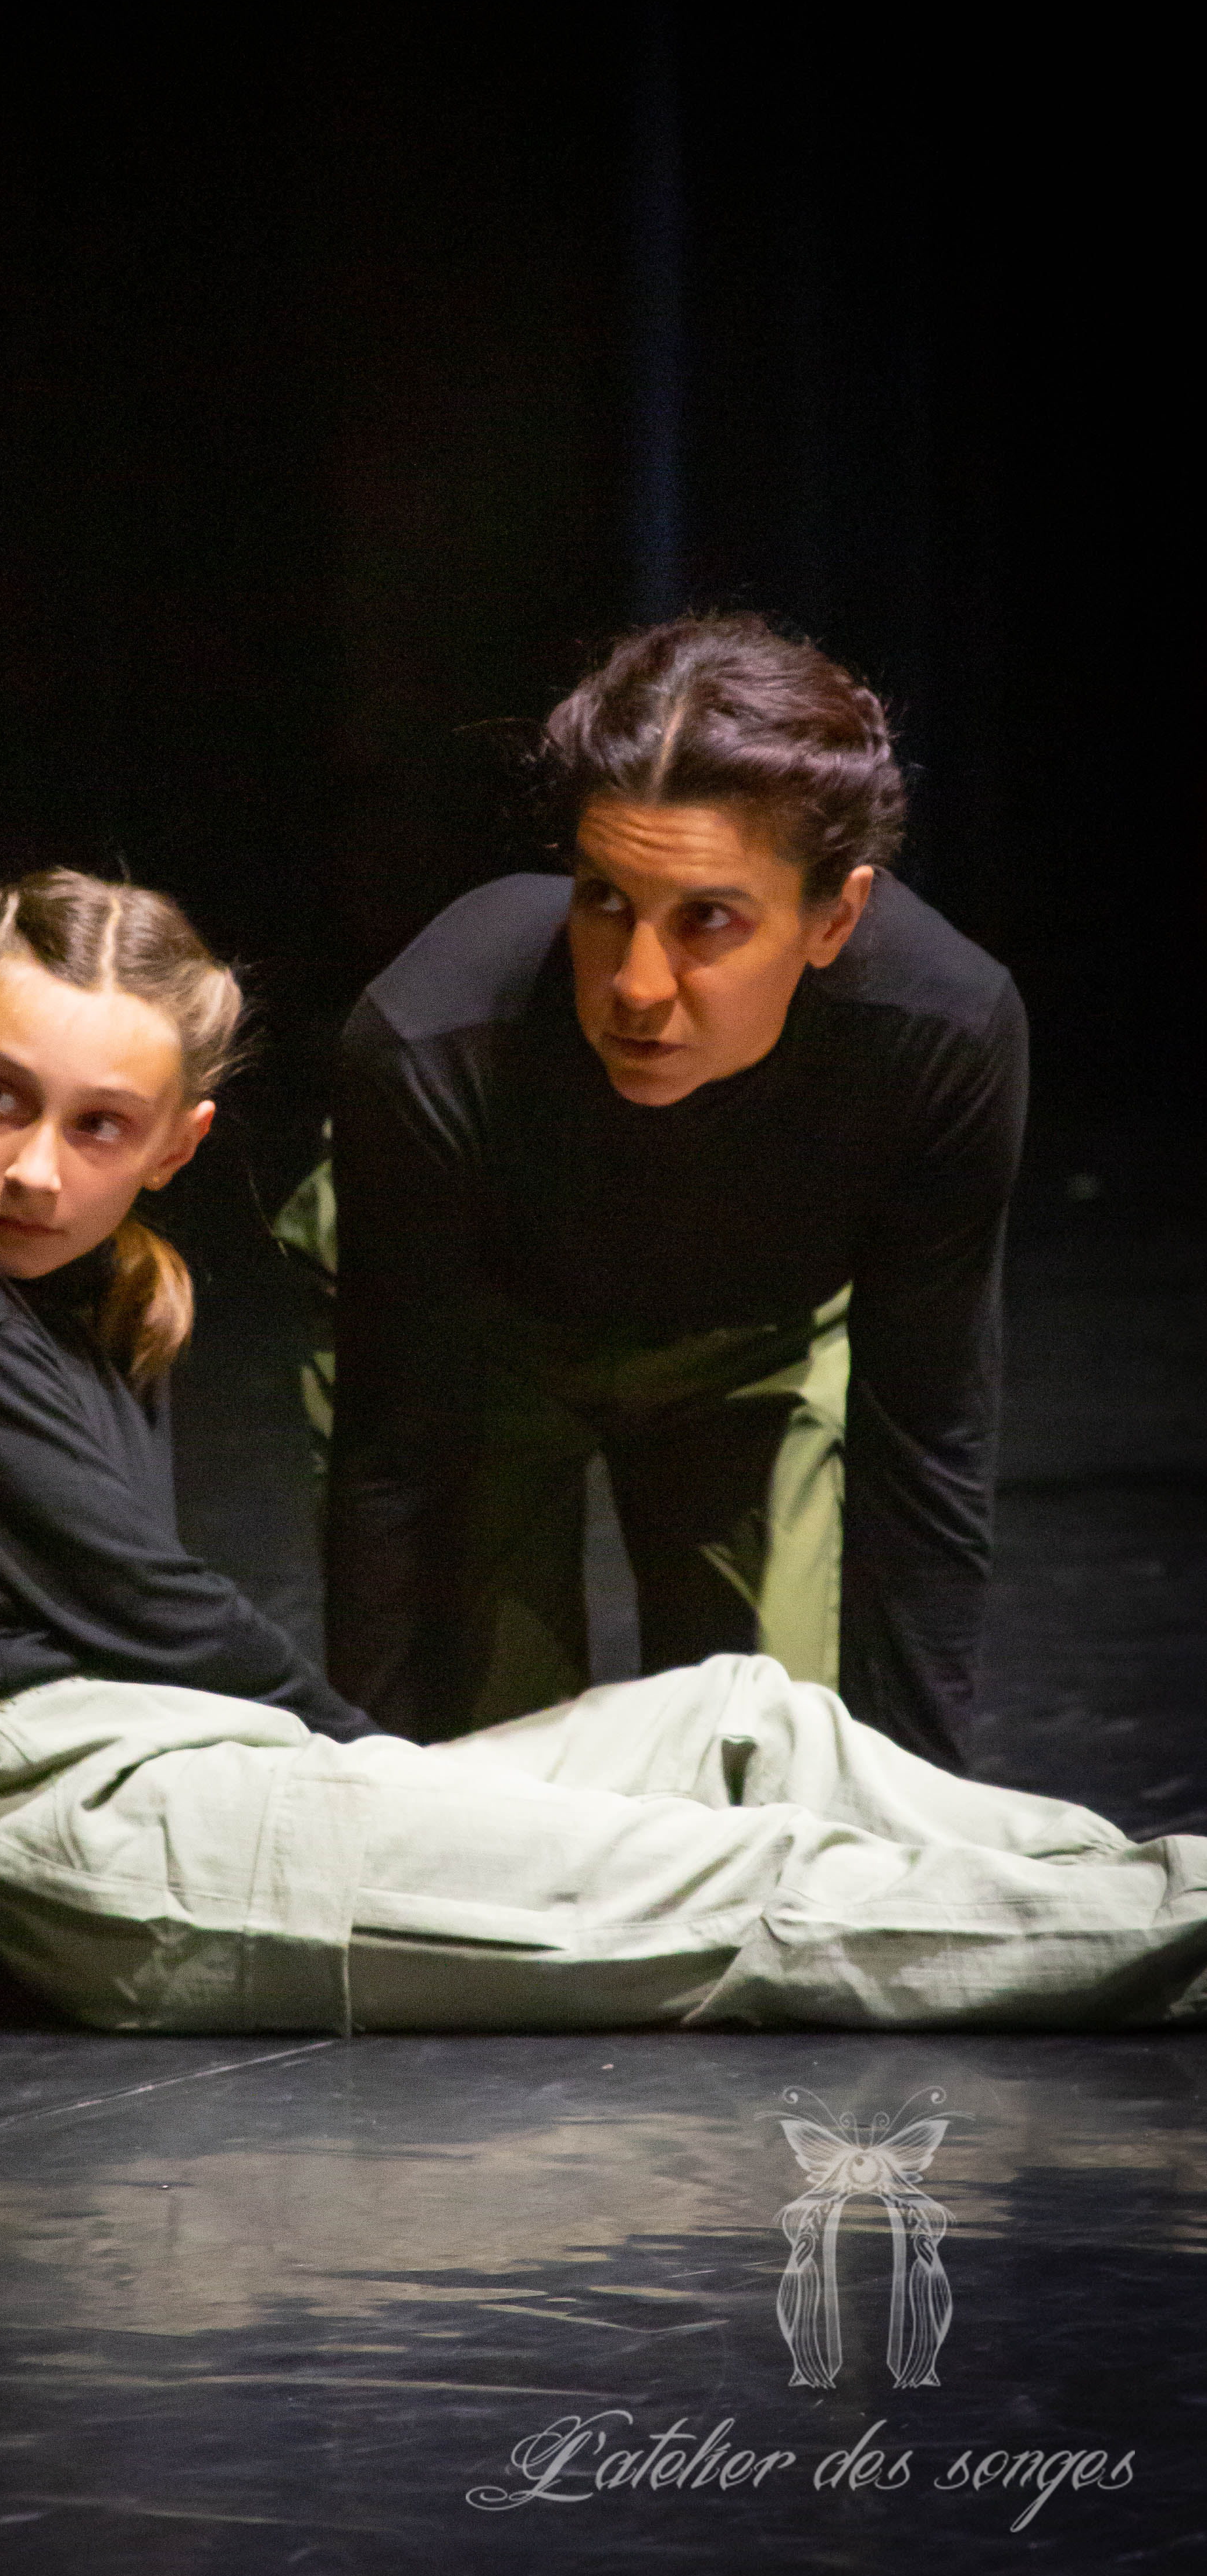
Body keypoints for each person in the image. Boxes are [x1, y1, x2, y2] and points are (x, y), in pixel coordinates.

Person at [0, 870, 1207, 2035]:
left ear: (175, 1145)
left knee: (745, 1719)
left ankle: (1140, 1883)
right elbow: (141, 1606)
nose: (34, 1169)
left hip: (202, 1777)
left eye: (98, 1127)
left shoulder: (92, 1298)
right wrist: (394, 1766)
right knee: (741, 1891)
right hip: (109, 1833)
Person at [313, 615, 1026, 1770]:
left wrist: (914, 1811)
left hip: (758, 1341)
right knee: (488, 1791)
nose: (637, 986)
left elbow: (927, 1441)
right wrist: (382, 1788)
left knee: (781, 1768)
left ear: (834, 918)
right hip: (484, 1345)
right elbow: (398, 1455)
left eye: (707, 918)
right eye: (604, 899)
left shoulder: (935, 1033)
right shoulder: (431, 1037)